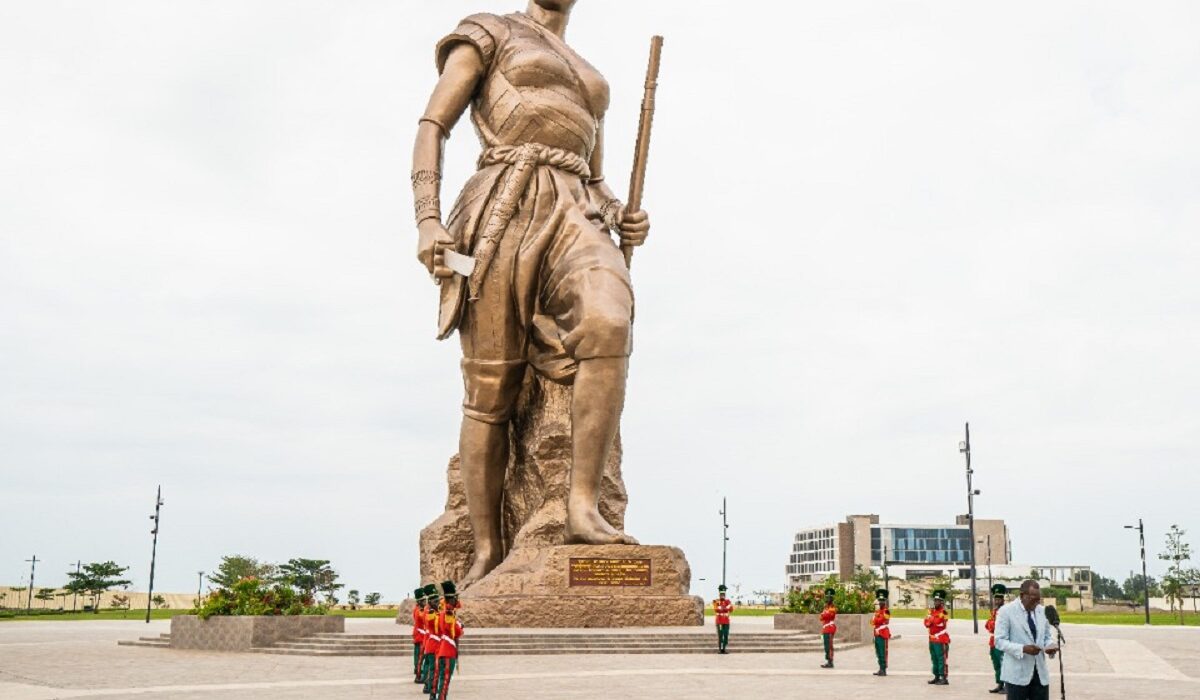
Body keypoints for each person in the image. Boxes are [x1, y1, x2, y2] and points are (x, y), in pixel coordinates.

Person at [412, 0, 652, 590]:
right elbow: (431, 126)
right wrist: (427, 219)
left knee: (609, 322)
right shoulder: (489, 31)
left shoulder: (590, 74)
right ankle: (488, 547)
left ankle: (582, 508)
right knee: (491, 386)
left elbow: (594, 177)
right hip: (503, 202)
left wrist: (622, 214)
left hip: (577, 210)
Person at [994, 579, 1058, 700]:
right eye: (1033, 599)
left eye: (1038, 599)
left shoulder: (1042, 611)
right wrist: (1023, 649)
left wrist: (1050, 646)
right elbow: (999, 641)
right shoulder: (1006, 612)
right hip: (1016, 676)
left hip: (1040, 674)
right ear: (1022, 595)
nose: (1036, 602)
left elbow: (1046, 637)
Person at [432, 581, 463, 700]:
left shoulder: (444, 612)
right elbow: (454, 631)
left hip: (443, 648)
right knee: (445, 679)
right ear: (450, 600)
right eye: (455, 598)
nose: (457, 601)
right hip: (448, 650)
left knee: (442, 677)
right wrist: (459, 626)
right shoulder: (448, 613)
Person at [924, 588, 951, 685]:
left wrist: (931, 620)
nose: (936, 602)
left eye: (938, 600)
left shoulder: (943, 613)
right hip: (932, 639)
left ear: (942, 602)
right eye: (935, 600)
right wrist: (931, 620)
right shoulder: (931, 612)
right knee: (934, 658)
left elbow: (937, 622)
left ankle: (943, 677)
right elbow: (926, 623)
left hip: (941, 639)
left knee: (941, 659)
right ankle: (936, 676)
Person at [421, 583, 442, 694]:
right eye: (436, 601)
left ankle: (427, 684)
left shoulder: (432, 610)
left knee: (430, 665)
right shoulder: (429, 612)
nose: (438, 603)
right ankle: (429, 686)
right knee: (432, 666)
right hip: (431, 640)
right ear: (430, 601)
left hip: (431, 640)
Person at [987, 583, 1008, 694]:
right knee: (996, 664)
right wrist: (992, 624)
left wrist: (992, 624)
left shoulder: (1006, 611)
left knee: (1004, 663)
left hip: (1002, 641)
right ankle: (1000, 683)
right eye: (995, 599)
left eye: (999, 599)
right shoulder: (994, 611)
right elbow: (988, 625)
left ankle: (1007, 685)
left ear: (1003, 599)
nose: (997, 601)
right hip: (993, 641)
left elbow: (997, 626)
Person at [871, 589, 891, 676]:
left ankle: (883, 669)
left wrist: (876, 620)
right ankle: (880, 668)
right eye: (880, 600)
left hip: (883, 633)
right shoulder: (877, 612)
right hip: (877, 633)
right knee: (878, 652)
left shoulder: (886, 611)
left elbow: (881, 620)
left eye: (883, 600)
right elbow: (872, 622)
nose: (881, 602)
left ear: (885, 601)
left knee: (883, 652)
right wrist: (876, 620)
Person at [412, 587, 428, 683]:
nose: (425, 602)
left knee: (419, 656)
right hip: (420, 636)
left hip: (421, 635)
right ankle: (418, 676)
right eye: (423, 601)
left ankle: (418, 671)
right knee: (420, 657)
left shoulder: (420, 609)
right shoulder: (419, 611)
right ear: (419, 601)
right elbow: (423, 618)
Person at [819, 588, 837, 669]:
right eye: (827, 597)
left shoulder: (832, 607)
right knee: (826, 645)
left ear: (832, 599)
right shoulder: (826, 607)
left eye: (830, 598)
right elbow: (821, 617)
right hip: (825, 628)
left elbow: (829, 616)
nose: (828, 599)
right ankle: (828, 660)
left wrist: (824, 614)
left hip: (830, 628)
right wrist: (824, 614)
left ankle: (830, 661)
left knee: (829, 646)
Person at [713, 584, 733, 654]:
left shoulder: (728, 601)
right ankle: (721, 649)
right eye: (721, 594)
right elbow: (716, 609)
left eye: (723, 594)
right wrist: (725, 608)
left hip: (726, 622)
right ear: (719, 594)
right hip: (720, 622)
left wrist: (722, 608)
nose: (722, 595)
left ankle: (724, 648)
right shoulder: (716, 601)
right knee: (721, 635)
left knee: (726, 635)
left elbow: (731, 609)